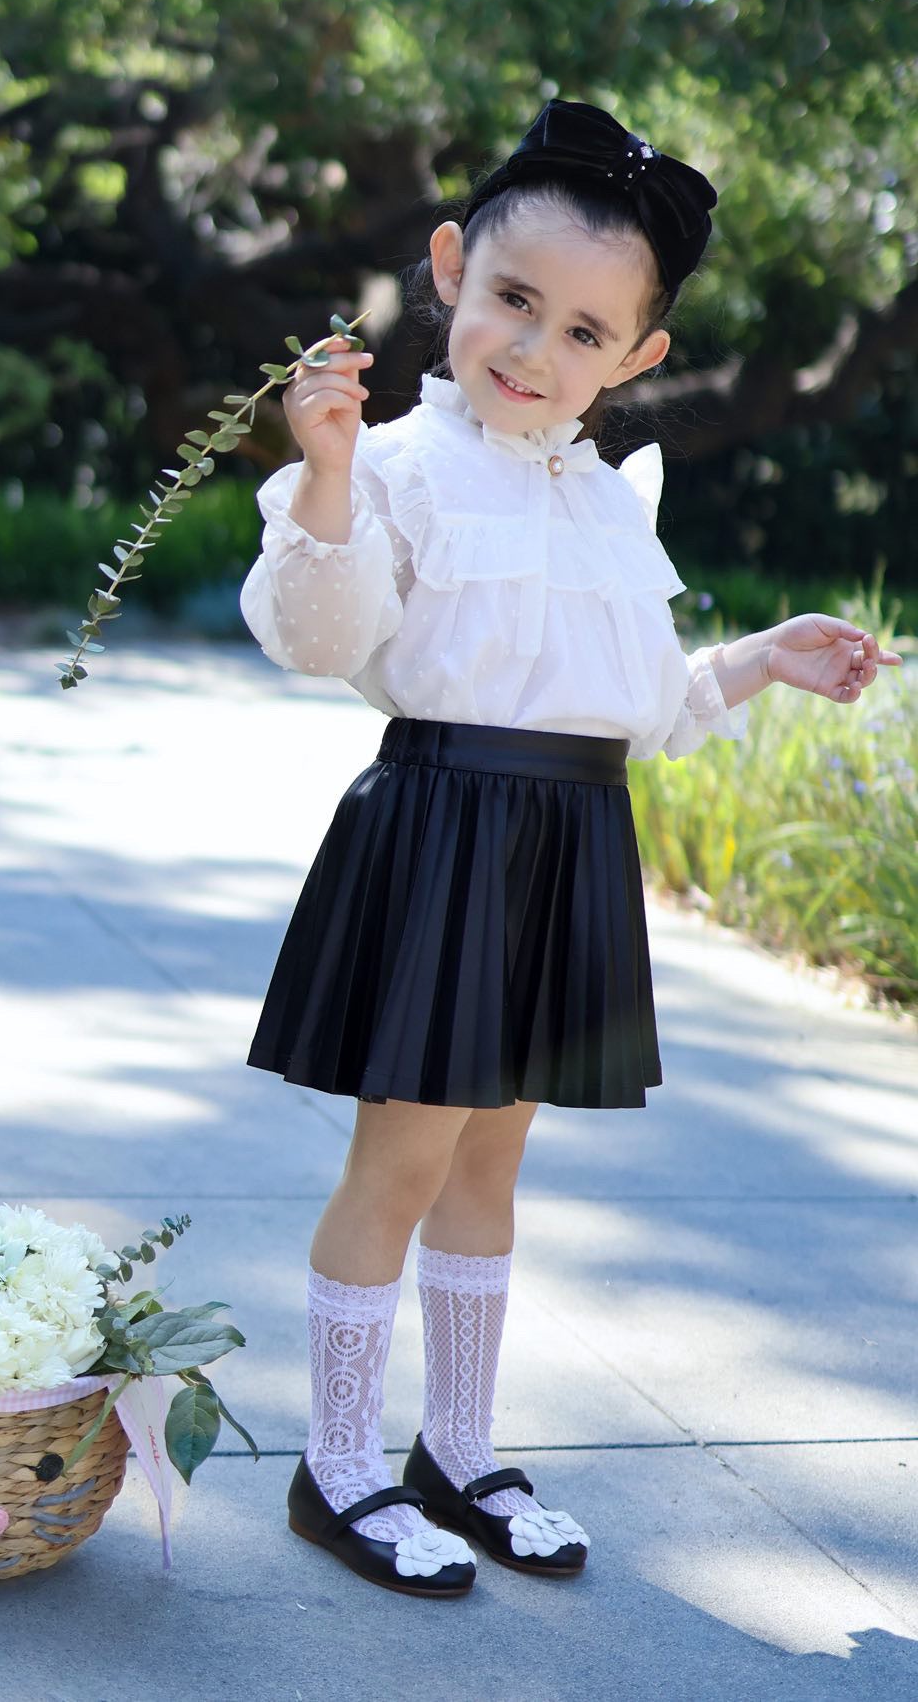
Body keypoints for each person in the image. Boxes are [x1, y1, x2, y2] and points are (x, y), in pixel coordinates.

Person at [237, 98, 903, 1600]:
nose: (536, 351)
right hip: (447, 827)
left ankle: (456, 1447)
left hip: (566, 838)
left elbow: (637, 708)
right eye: (514, 302)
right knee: (404, 1158)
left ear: (639, 357)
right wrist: (329, 472)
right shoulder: (400, 465)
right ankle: (337, 1466)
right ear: (451, 268)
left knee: (493, 1159)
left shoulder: (607, 503)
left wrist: (761, 659)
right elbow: (318, 636)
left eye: (587, 332)